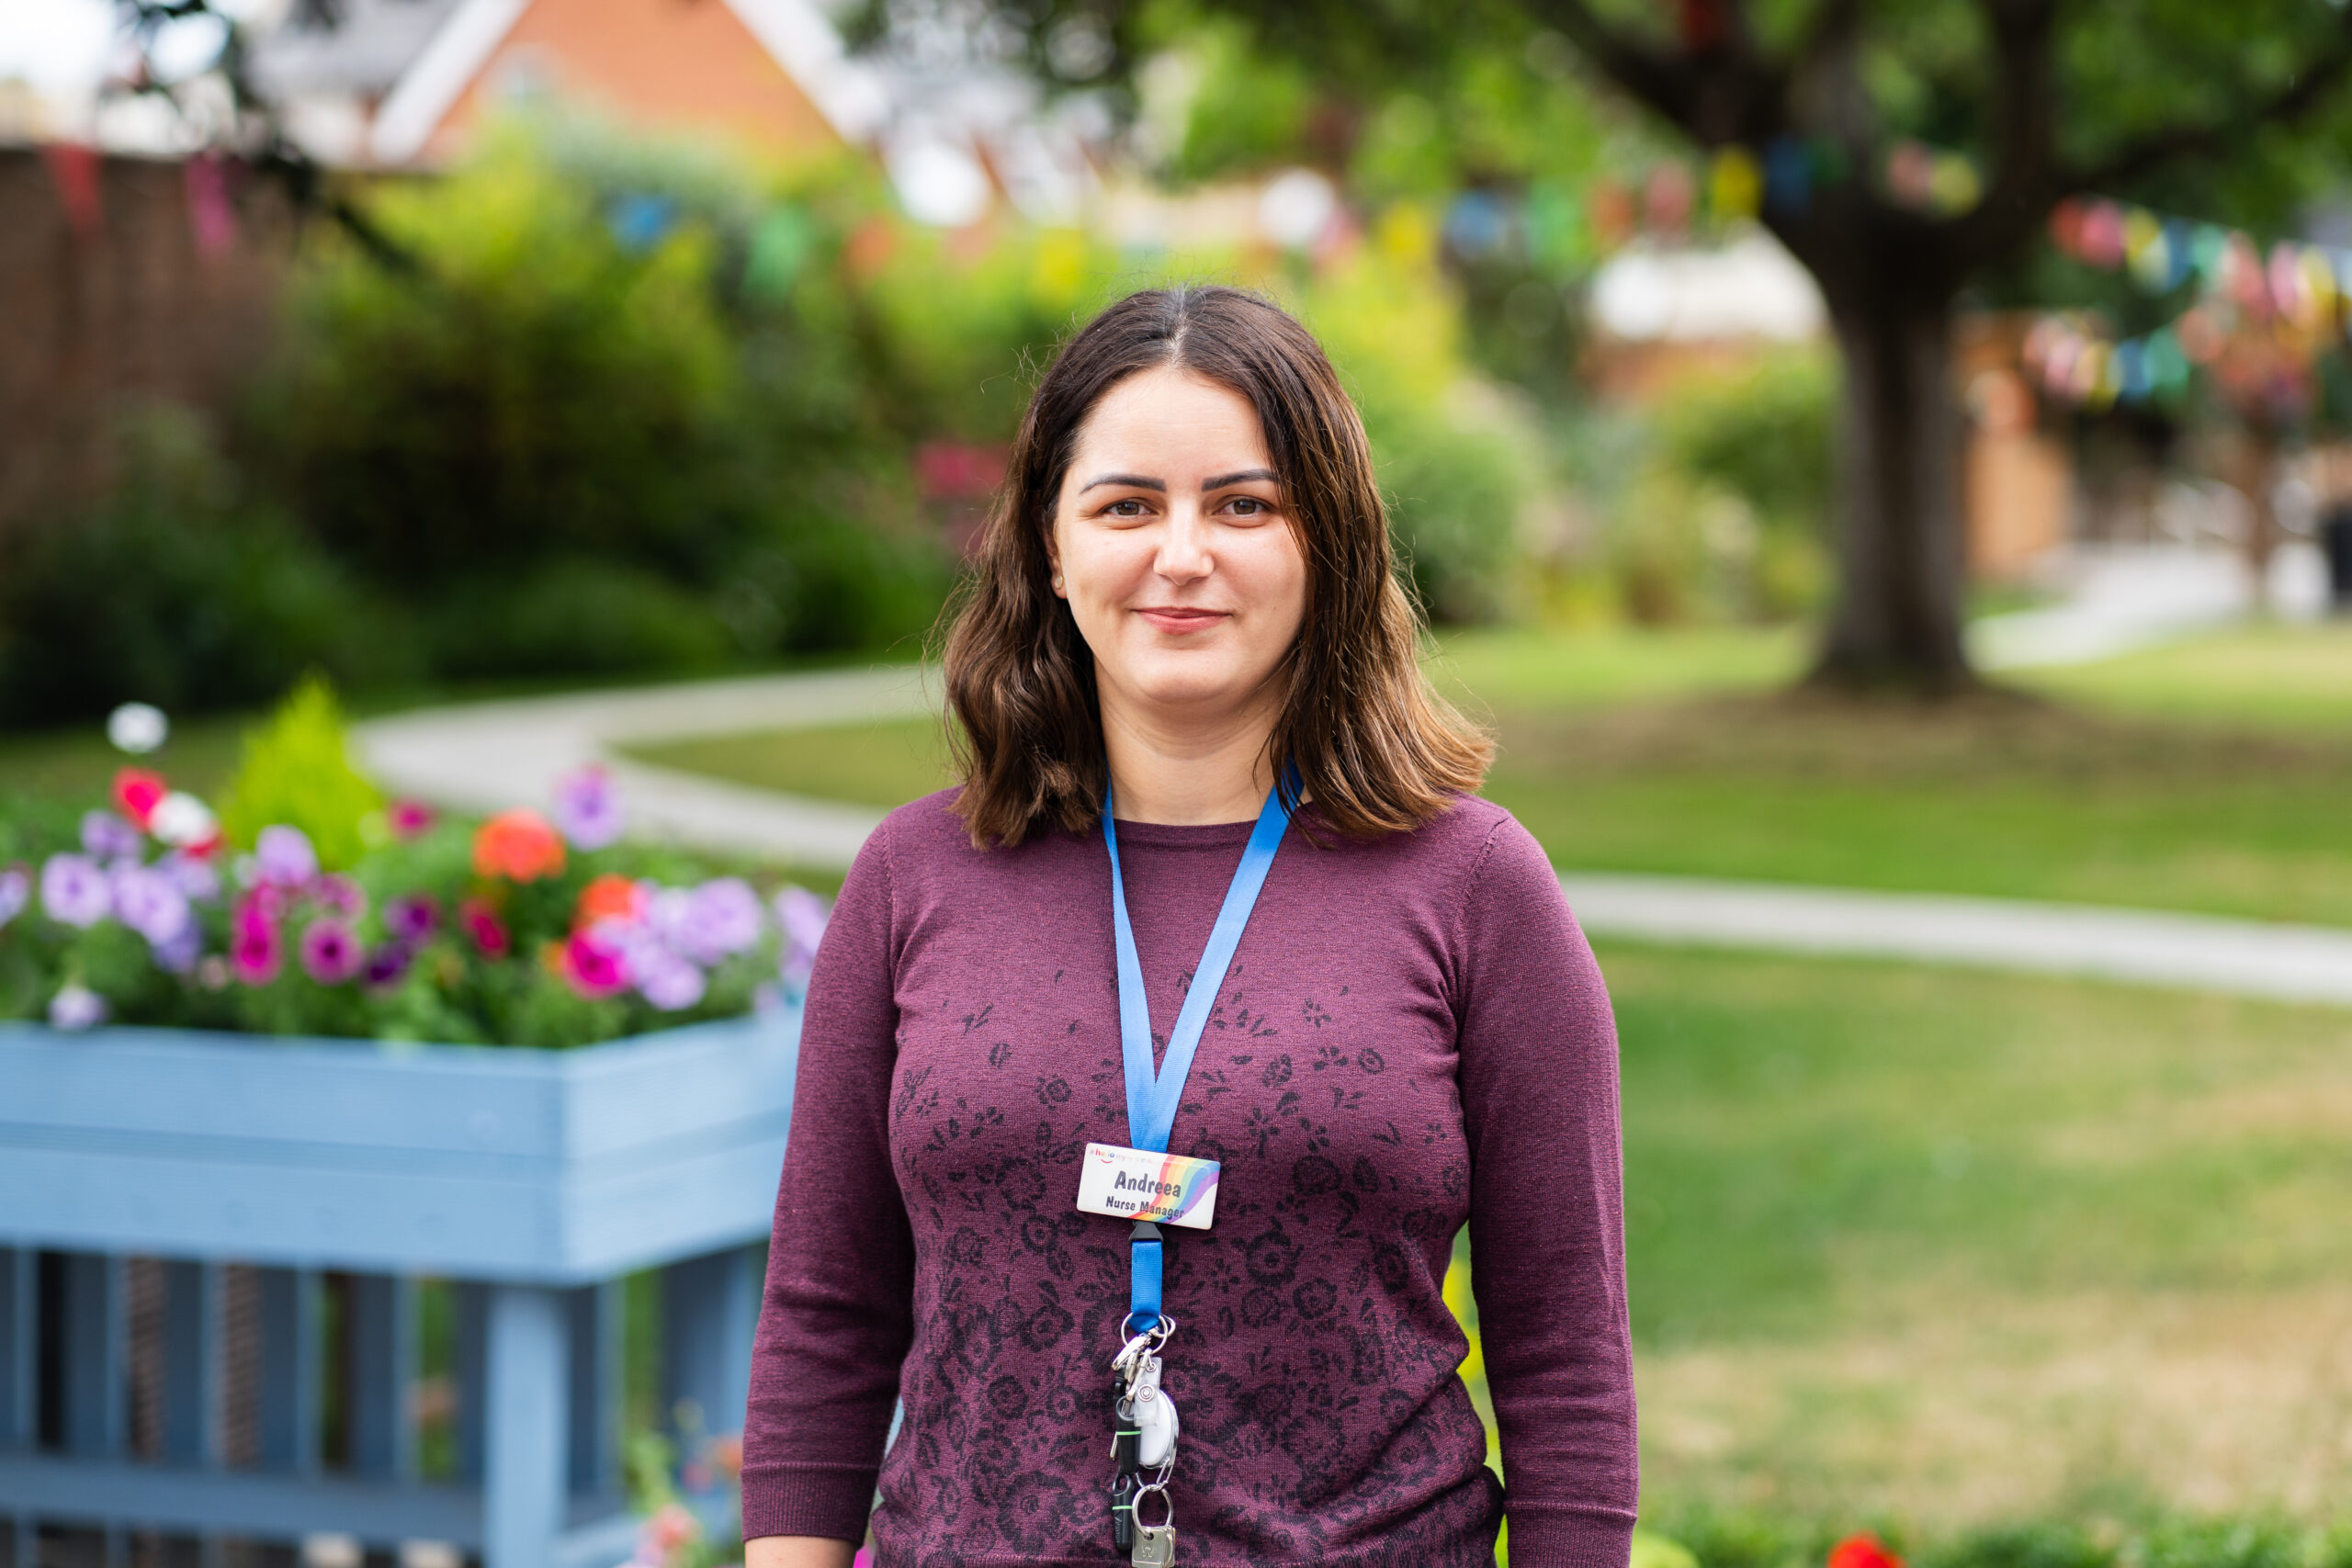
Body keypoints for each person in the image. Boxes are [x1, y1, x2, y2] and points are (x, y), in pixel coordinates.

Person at [741, 285, 1635, 1567]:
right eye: (1125, 505)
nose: (1181, 554)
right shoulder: (913, 879)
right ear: (1052, 548)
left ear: (1325, 539)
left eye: (1242, 503)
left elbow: (1565, 1353)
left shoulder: (1476, 888)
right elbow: (827, 1319)